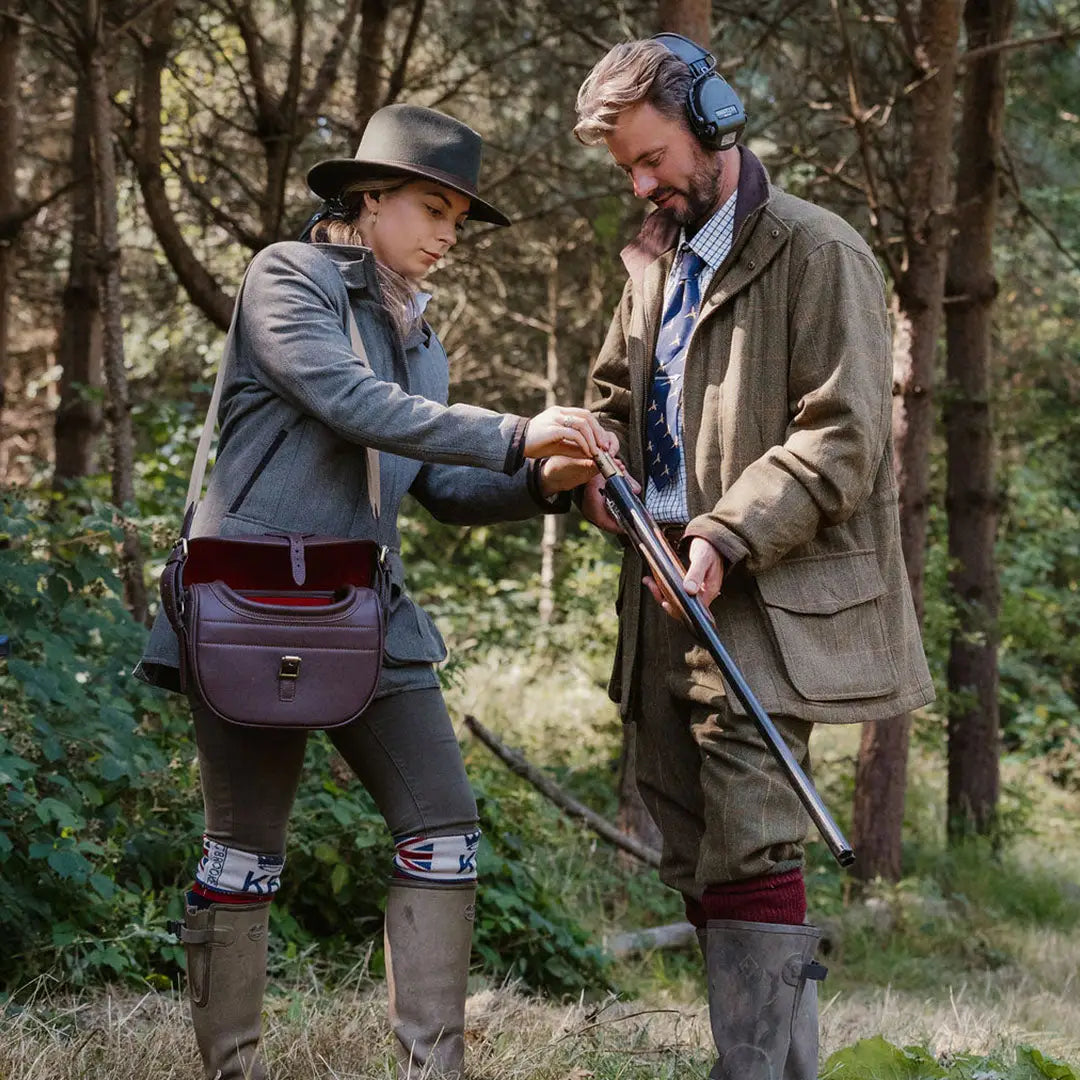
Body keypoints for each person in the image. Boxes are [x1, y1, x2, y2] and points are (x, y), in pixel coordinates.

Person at [135, 102, 615, 1080]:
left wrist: (541, 483)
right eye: (433, 209)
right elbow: (353, 402)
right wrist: (517, 430)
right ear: (370, 196)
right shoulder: (289, 278)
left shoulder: (422, 335)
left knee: (444, 836)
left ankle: (432, 1073)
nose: (447, 236)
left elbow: (436, 486)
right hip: (255, 605)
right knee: (243, 857)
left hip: (372, 609)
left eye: (457, 219)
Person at [573, 36, 934, 1078]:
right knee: (690, 842)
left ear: (716, 120)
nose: (643, 185)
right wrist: (593, 466)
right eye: (627, 171)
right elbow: (609, 401)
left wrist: (727, 531)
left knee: (754, 837)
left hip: (763, 598)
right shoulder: (654, 265)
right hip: (660, 595)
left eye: (654, 159)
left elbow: (845, 436)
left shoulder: (818, 250)